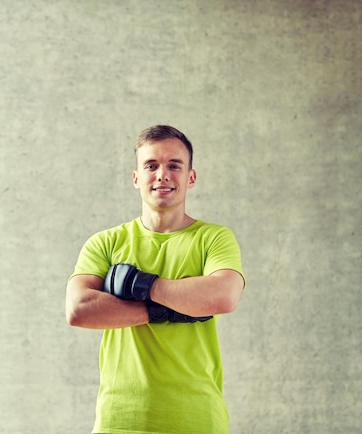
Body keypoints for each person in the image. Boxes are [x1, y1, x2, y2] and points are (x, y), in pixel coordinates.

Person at [65, 124, 245, 434]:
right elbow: (79, 309)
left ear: (191, 177)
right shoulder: (106, 242)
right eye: (151, 165)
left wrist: (143, 286)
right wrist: (169, 309)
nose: (162, 174)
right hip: (119, 420)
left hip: (197, 418)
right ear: (136, 178)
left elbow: (224, 295)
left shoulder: (213, 238)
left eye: (174, 165)